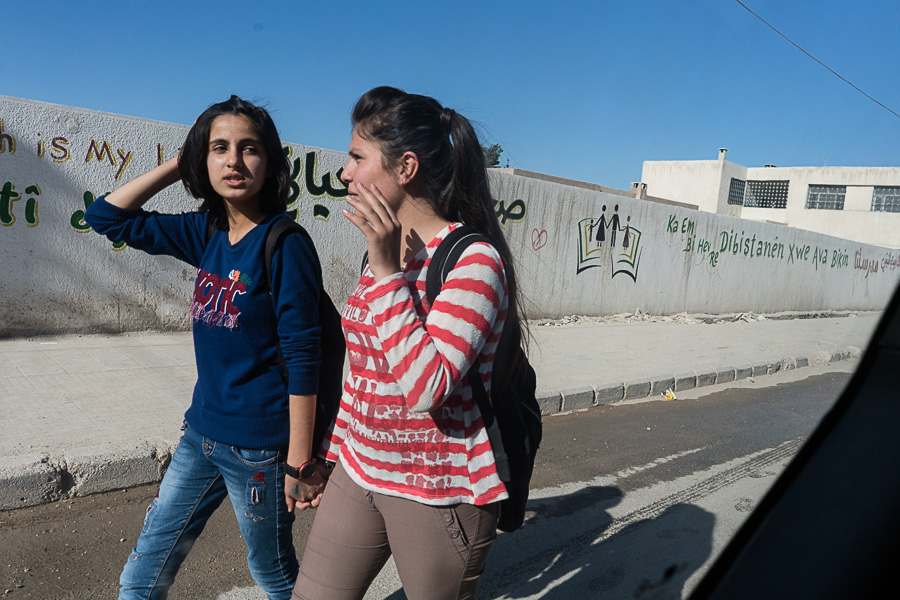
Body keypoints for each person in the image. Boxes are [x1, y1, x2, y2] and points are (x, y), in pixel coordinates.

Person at [85, 95, 325, 600]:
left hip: (259, 448)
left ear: (272, 161)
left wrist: (299, 464)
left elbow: (305, 358)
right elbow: (106, 217)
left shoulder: (285, 244)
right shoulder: (208, 231)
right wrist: (181, 163)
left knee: (275, 574)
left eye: (249, 148)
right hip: (200, 436)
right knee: (141, 576)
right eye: (219, 148)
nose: (234, 161)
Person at [292, 86, 527, 600]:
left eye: (357, 157)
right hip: (360, 469)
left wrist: (385, 270)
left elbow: (427, 386)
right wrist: (326, 459)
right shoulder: (381, 251)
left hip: (438, 490)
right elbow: (362, 371)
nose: (345, 173)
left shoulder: (474, 261)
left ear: (406, 168)